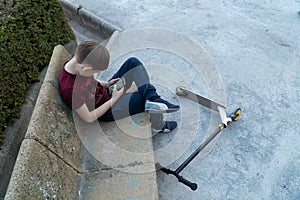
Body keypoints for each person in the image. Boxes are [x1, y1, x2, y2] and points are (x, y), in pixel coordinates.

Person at [59, 39, 180, 133]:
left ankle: (153, 99)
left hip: (106, 91)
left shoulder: (75, 64)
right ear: (86, 68)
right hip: (108, 109)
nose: (94, 74)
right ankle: (158, 125)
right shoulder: (70, 90)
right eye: (94, 71)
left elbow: (88, 80)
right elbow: (89, 117)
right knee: (143, 98)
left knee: (133, 63)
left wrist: (104, 84)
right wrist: (114, 99)